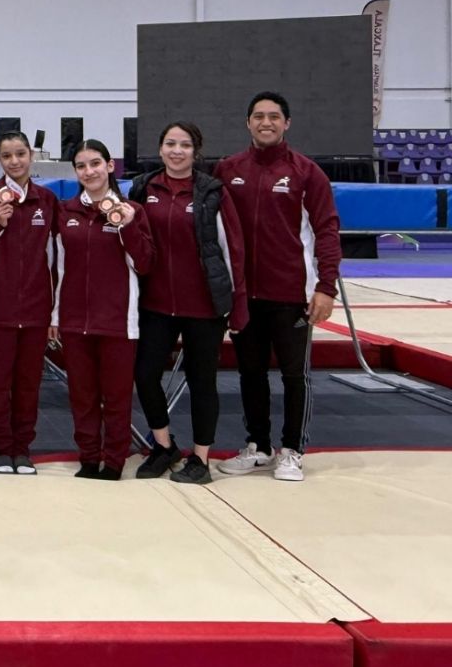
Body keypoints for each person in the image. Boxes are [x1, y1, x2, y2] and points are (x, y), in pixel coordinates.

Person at [214, 91, 341, 482]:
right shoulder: (227, 169)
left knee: (293, 375)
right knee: (250, 374)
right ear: (247, 122)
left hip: (291, 295)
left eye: (273, 116)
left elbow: (327, 230)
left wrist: (326, 287)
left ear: (286, 123)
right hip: (244, 294)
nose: (265, 122)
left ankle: (293, 450)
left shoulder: (306, 173)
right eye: (258, 116)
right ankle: (259, 446)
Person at [127, 121, 248, 485]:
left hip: (204, 307)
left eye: (184, 145)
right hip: (155, 304)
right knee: (145, 375)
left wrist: (236, 303)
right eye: (170, 143)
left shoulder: (213, 191)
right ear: (160, 148)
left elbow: (233, 249)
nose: (176, 151)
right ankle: (164, 447)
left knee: (202, 382)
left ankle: (201, 458)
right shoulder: (142, 187)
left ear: (196, 151)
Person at [52, 140, 155, 481]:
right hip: (74, 320)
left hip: (117, 321)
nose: (89, 171)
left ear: (110, 166)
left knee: (116, 397)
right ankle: (89, 457)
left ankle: (113, 460)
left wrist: (127, 226)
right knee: (82, 396)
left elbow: (145, 263)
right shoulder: (65, 211)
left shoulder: (132, 211)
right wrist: (55, 316)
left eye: (95, 163)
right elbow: (59, 267)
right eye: (81, 166)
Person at [0, 131, 59, 476]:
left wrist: (54, 311)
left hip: (35, 309)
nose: (14, 161)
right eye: (7, 156)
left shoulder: (47, 200)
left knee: (29, 384)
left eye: (20, 154)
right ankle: (0, 449)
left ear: (30, 156)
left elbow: (56, 259)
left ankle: (23, 449)